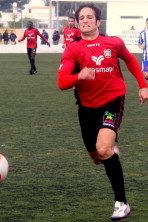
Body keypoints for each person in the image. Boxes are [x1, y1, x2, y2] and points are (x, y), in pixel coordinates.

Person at [57, 4, 148, 221]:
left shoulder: (113, 43)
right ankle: (108, 153)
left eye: (89, 17)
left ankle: (121, 203)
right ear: (78, 23)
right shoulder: (73, 49)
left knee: (103, 148)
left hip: (112, 101)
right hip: (87, 106)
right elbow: (61, 82)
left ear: (98, 22)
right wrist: (79, 77)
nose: (85, 20)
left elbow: (130, 60)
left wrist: (142, 85)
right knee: (96, 156)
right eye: (81, 18)